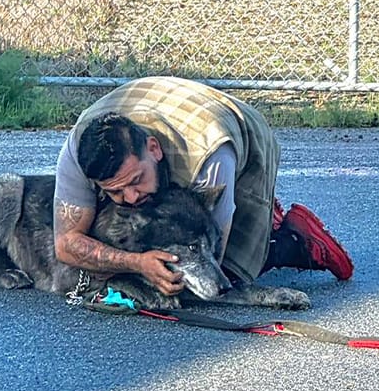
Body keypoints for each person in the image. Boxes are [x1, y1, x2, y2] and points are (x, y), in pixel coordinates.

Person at [53, 75, 353, 297]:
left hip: (233, 133)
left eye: (135, 181)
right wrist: (137, 263)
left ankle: (287, 241)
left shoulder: (211, 156)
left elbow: (214, 259)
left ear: (154, 150)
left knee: (224, 279)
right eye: (115, 191)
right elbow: (66, 244)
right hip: (160, 106)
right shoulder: (79, 151)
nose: (130, 198)